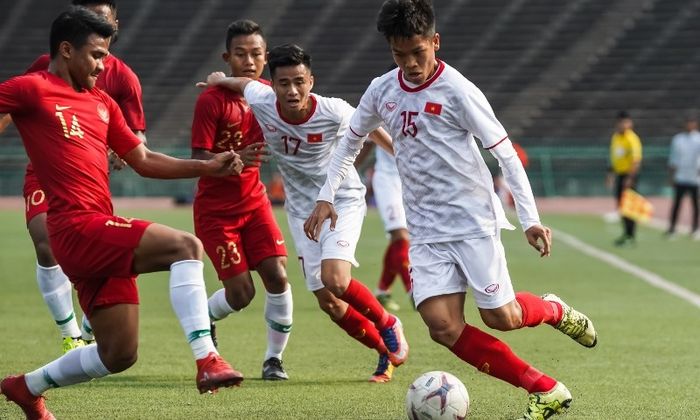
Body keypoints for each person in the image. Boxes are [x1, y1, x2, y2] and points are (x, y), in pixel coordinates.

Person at [304, 1, 597, 418]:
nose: (409, 64)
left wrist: (529, 219)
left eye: (417, 52)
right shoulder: (381, 89)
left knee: (503, 318)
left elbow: (506, 155)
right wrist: (326, 194)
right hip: (424, 231)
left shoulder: (459, 90)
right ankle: (545, 389)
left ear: (435, 42)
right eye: (399, 54)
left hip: (472, 223)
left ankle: (552, 309)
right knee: (442, 327)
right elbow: (350, 140)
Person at [0, 7, 245, 418]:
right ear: (66, 50)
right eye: (96, 55)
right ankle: (207, 358)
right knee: (185, 246)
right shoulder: (33, 88)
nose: (103, 65)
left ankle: (25, 387)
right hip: (76, 226)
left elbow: (144, 159)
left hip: (97, 229)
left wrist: (205, 166)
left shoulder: (102, 104)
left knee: (118, 353)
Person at [197, 43, 408, 384]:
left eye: (299, 81)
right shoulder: (262, 100)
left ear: (312, 80)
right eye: (283, 83)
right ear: (272, 85)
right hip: (301, 212)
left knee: (335, 280)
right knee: (329, 301)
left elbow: (369, 128)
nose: (292, 91)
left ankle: (388, 324)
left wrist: (402, 156)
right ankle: (385, 353)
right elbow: (240, 84)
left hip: (342, 201)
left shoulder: (334, 110)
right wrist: (219, 80)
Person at [0, 0, 146, 354]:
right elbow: (13, 105)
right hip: (45, 173)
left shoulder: (123, 78)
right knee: (46, 241)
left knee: (104, 252)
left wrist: (123, 151)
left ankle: (89, 320)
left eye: (102, 19)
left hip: (89, 180)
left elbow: (138, 137)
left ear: (116, 25)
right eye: (89, 17)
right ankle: (71, 334)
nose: (94, 22)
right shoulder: (44, 70)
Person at [191, 19, 292, 380]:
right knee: (241, 294)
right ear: (227, 57)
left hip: (255, 204)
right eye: (240, 54)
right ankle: (204, 315)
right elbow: (198, 161)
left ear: (266, 57)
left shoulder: (269, 94)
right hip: (217, 213)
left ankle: (273, 361)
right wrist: (233, 159)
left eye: (256, 54)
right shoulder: (210, 101)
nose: (249, 61)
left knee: (278, 276)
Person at [354, 141, 411, 311]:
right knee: (400, 235)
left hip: (412, 179)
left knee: (401, 240)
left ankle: (382, 291)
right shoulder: (383, 112)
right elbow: (368, 142)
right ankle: (413, 290)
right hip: (388, 179)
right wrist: (346, 170)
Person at [607, 111, 642, 246]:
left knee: (630, 206)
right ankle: (626, 233)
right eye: (621, 122)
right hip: (620, 175)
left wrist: (630, 178)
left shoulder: (632, 139)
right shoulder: (616, 137)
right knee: (621, 206)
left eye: (626, 122)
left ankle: (631, 235)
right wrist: (610, 174)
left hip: (629, 176)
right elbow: (614, 157)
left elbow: (636, 161)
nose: (623, 125)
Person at [666, 115, 700, 239]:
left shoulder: (698, 139)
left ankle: (695, 229)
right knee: (677, 204)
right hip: (681, 177)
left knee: (695, 205)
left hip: (694, 179)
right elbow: (673, 159)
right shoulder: (678, 139)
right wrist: (671, 176)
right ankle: (672, 229)